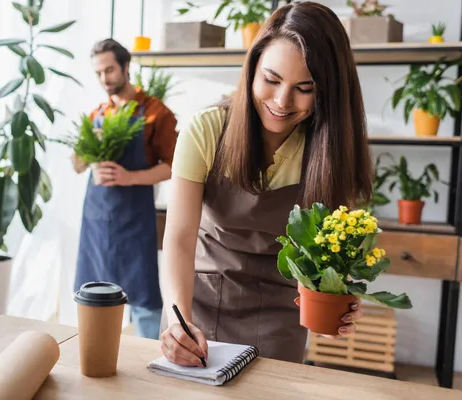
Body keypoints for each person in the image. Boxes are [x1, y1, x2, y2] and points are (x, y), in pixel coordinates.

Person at [159, 1, 374, 367]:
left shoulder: (331, 149)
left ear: (328, 91)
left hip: (282, 313)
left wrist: (339, 297)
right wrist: (179, 319)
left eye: (304, 88)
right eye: (271, 80)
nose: (281, 101)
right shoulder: (207, 130)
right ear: (252, 68)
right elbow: (179, 238)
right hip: (198, 302)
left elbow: (334, 251)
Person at [73, 38, 178, 340]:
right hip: (95, 220)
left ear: (126, 67)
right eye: (98, 73)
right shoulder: (96, 114)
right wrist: (90, 160)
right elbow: (77, 165)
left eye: (109, 70)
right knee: (91, 295)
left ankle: (149, 360)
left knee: (143, 297)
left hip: (133, 220)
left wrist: (128, 177)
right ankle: (94, 354)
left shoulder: (156, 113)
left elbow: (173, 166)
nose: (104, 79)